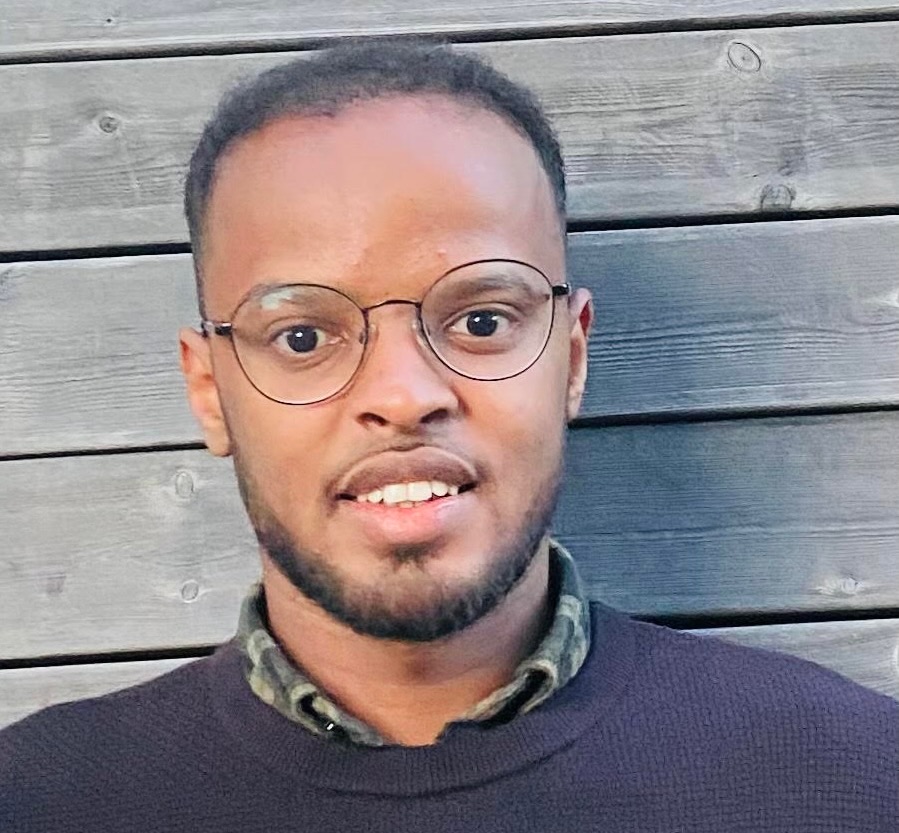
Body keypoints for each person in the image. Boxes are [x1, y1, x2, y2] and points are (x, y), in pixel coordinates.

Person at [1, 41, 895, 833]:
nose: (402, 395)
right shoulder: (36, 800)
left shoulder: (854, 780)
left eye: (480, 321)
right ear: (209, 391)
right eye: (302, 336)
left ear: (570, 357)